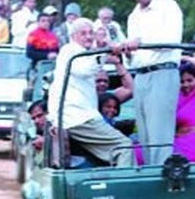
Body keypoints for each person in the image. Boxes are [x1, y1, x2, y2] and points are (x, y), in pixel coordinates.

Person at [114, 0, 183, 166]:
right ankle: (151, 173)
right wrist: (126, 52)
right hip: (141, 75)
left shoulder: (168, 7)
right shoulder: (133, 16)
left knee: (159, 132)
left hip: (163, 71)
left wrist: (139, 42)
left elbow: (170, 39)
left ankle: (163, 176)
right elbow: (134, 57)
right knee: (144, 132)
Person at [48, 18, 135, 167]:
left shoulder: (85, 54)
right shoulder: (71, 50)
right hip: (77, 118)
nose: (88, 37)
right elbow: (84, 70)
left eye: (90, 33)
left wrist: (112, 53)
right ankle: (125, 188)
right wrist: (104, 52)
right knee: (124, 146)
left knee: (114, 151)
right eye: (83, 33)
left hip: (80, 117)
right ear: (74, 36)